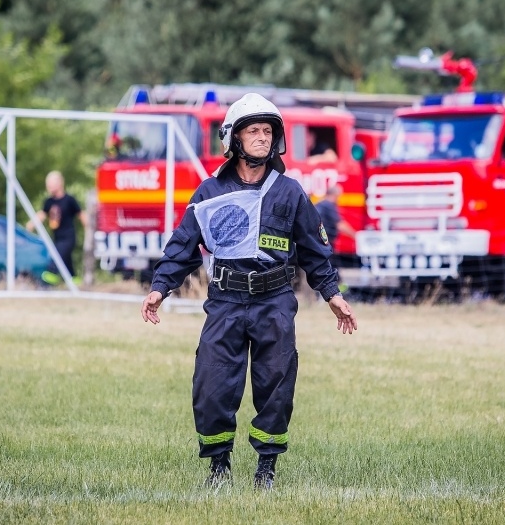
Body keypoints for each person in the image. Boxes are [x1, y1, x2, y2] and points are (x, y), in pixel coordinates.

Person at [141, 93, 358, 490]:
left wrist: (333, 294)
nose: (262, 138)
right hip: (224, 302)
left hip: (274, 303)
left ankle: (266, 470)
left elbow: (315, 248)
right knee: (210, 385)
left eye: (268, 131)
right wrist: (160, 287)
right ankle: (219, 468)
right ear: (234, 139)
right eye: (253, 131)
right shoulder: (209, 192)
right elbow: (183, 245)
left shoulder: (290, 192)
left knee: (276, 384)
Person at [27, 171, 88, 284]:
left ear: (60, 183)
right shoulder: (49, 202)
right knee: (67, 262)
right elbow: (42, 214)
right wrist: (31, 224)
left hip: (68, 237)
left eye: (51, 183)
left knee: (57, 257)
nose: (48, 186)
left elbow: (81, 215)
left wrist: (89, 230)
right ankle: (74, 280)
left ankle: (49, 277)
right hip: (57, 237)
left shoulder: (69, 200)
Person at [315, 185, 356, 252]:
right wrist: (356, 236)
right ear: (335, 195)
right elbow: (340, 225)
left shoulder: (319, 204)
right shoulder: (329, 205)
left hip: (318, 243)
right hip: (325, 244)